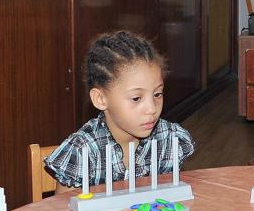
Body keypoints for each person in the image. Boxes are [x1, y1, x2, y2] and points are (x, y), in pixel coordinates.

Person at [45, 31, 195, 190]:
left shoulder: (169, 140)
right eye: (136, 98)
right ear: (100, 99)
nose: (152, 109)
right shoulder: (83, 151)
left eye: (157, 94)